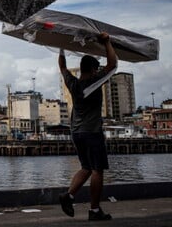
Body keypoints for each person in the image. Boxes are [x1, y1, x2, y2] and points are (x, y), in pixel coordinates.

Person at [58, 32, 117, 221]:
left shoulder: (73, 83)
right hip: (91, 132)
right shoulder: (94, 82)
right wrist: (107, 42)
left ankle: (69, 195)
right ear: (93, 69)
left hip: (76, 133)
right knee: (97, 170)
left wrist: (61, 48)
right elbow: (113, 65)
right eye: (97, 68)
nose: (98, 71)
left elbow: (62, 67)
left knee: (86, 167)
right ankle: (94, 210)